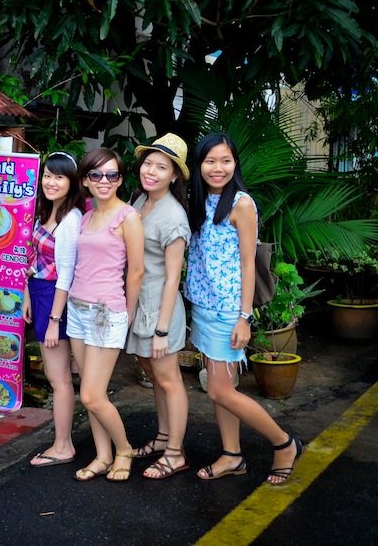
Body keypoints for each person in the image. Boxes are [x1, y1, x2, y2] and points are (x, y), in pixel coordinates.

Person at [185, 132, 304, 485]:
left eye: (225, 160)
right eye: (210, 161)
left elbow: (249, 264)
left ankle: (284, 444)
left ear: (235, 163)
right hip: (203, 306)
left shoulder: (241, 203)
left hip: (228, 311)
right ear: (199, 165)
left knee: (219, 389)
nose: (217, 168)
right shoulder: (197, 199)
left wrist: (245, 317)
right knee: (225, 388)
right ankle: (232, 455)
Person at [67, 148, 144, 482]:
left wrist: (125, 317)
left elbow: (137, 272)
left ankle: (124, 449)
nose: (104, 181)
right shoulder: (86, 217)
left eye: (112, 175)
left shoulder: (128, 217)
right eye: (96, 174)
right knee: (90, 392)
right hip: (77, 310)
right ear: (85, 180)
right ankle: (102, 456)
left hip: (106, 313)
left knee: (91, 395)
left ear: (121, 180)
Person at [125, 133, 192, 480]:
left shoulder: (174, 217)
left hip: (160, 311)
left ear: (174, 175)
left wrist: (162, 329)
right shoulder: (140, 201)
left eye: (161, 166)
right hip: (141, 307)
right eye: (148, 163)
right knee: (154, 376)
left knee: (169, 379)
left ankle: (176, 453)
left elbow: (172, 279)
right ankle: (164, 437)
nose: (151, 171)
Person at [22, 151, 85, 468]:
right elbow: (35, 261)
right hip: (41, 295)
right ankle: (65, 442)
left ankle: (63, 445)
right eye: (47, 175)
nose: (50, 181)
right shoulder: (45, 212)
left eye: (59, 176)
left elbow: (67, 274)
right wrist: (27, 293)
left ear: (72, 182)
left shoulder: (70, 219)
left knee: (60, 378)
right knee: (55, 375)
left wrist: (53, 321)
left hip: (57, 300)